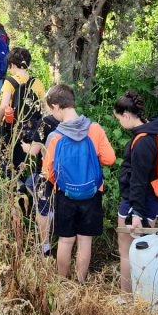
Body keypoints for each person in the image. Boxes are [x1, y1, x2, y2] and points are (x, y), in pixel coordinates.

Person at [42, 84, 115, 283]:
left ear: (56, 106)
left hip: (65, 195)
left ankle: (63, 284)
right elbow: (110, 159)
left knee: (65, 241)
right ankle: (81, 283)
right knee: (85, 241)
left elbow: (48, 172)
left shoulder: (55, 137)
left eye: (51, 109)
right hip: (92, 194)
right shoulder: (95, 129)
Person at [113, 90, 158, 295]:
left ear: (127, 115)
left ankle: (127, 298)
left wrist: (136, 213)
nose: (119, 122)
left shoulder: (142, 141)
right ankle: (145, 296)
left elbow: (138, 180)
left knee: (127, 252)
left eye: (119, 118)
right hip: (155, 201)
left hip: (137, 203)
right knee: (145, 250)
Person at [0, 47, 46, 173]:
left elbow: (3, 106)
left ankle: (8, 177)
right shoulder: (37, 82)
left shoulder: (10, 81)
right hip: (31, 127)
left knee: (6, 155)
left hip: (12, 126)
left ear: (12, 65)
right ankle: (22, 177)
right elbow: (44, 107)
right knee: (22, 157)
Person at [22, 110, 60, 257]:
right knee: (29, 183)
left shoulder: (46, 121)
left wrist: (25, 146)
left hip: (45, 171)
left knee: (42, 208)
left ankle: (45, 248)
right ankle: (51, 213)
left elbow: (34, 151)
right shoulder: (69, 121)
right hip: (61, 171)